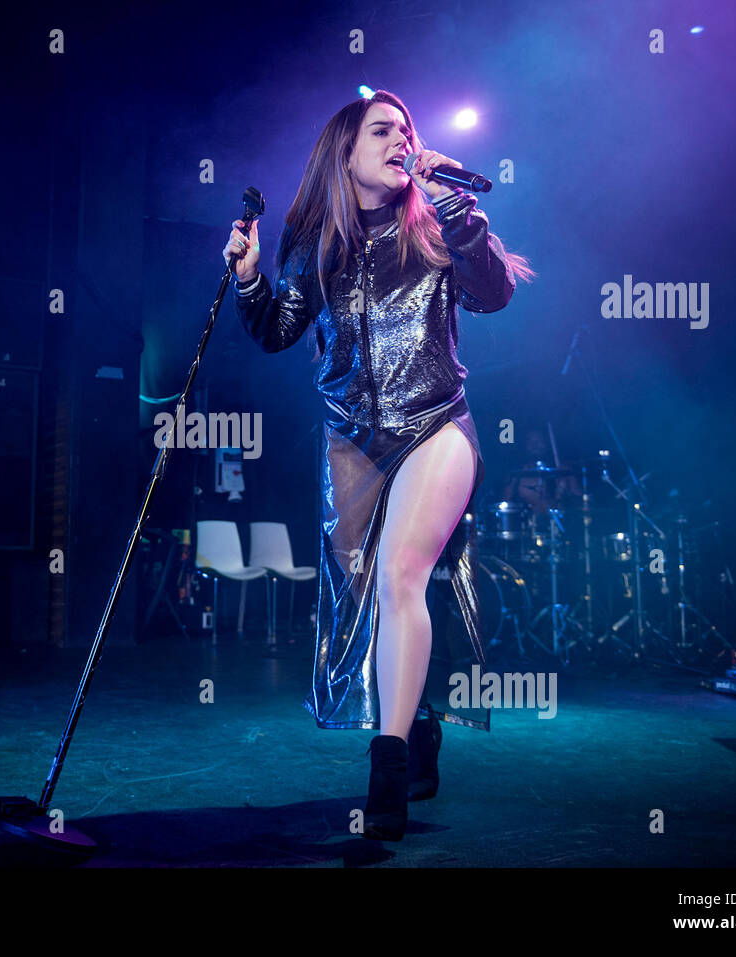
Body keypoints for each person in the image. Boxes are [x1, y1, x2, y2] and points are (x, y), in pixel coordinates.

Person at [226, 91, 533, 840]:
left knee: (401, 574)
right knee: (369, 595)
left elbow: (492, 292)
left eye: (408, 131)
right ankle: (420, 715)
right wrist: (246, 278)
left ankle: (386, 769)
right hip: (353, 439)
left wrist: (458, 209)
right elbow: (276, 330)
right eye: (383, 129)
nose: (402, 140)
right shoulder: (313, 241)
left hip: (435, 422)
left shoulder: (435, 224)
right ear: (346, 150)